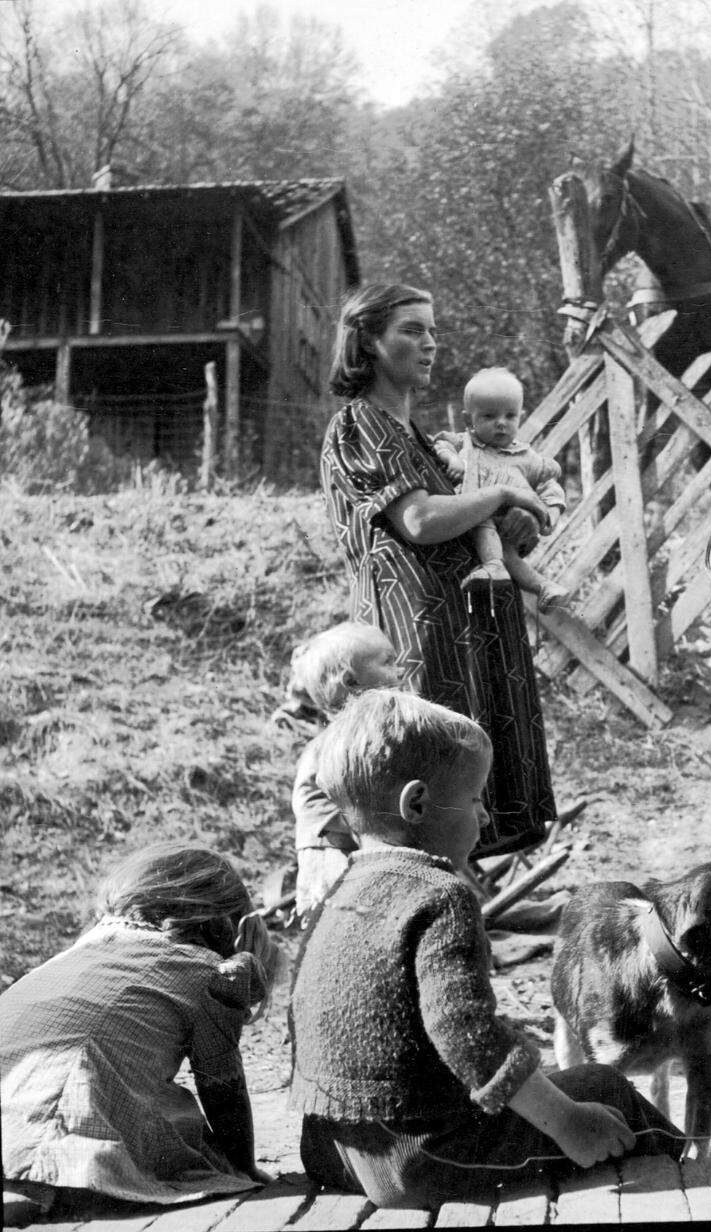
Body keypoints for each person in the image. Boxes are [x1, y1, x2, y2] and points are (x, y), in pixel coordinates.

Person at [288, 689, 683, 1208]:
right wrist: (567, 1122)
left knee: (548, 1088)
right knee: (603, 1088)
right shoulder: (440, 896)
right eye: (475, 800)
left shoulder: (340, 892)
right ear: (418, 804)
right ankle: (688, 1161)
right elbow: (466, 1033)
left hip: (330, 1145)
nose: (487, 818)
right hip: (422, 1158)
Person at [320, 284, 556, 858]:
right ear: (368, 342)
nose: (430, 343)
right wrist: (501, 494)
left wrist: (511, 520)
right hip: (416, 640)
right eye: (412, 330)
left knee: (463, 806)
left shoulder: (419, 436)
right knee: (423, 794)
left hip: (462, 638)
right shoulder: (360, 424)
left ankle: (470, 895)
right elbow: (421, 520)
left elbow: (467, 517)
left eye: (432, 330)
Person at [0, 842, 283, 1225]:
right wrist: (244, 1166)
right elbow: (222, 1086)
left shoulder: (82, 949)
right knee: (173, 1132)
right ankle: (34, 1183)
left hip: (11, 1083)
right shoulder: (207, 970)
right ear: (225, 924)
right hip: (68, 1099)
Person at [281, 621, 401, 917]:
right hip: (332, 853)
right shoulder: (343, 742)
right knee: (347, 917)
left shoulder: (366, 732)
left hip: (353, 843)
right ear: (351, 681)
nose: (400, 670)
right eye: (388, 662)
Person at [432, 367, 570, 610]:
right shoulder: (465, 443)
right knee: (509, 557)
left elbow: (550, 488)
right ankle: (543, 586)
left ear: (521, 417)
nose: (501, 424)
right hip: (473, 515)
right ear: (469, 420)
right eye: (489, 416)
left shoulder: (528, 457)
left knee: (502, 546)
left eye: (510, 416)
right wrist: (453, 459)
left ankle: (498, 569)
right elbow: (441, 444)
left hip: (509, 524)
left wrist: (546, 515)